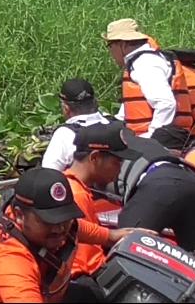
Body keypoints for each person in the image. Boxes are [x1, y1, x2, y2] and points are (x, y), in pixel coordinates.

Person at [0, 167, 137, 303]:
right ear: (19, 215)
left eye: (64, 217)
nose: (59, 228)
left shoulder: (54, 226)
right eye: (49, 221)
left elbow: (75, 227)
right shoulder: (12, 261)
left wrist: (112, 236)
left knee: (88, 295)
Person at [63, 122, 141, 300]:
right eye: (116, 162)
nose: (120, 169)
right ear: (95, 157)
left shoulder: (76, 187)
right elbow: (83, 265)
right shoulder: (76, 196)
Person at [112, 126, 195, 253]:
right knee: (194, 257)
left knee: (127, 247)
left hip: (161, 186)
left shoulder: (111, 146)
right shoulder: (150, 143)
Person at [102, 18, 193, 149]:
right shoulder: (142, 61)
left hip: (161, 141)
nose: (110, 52)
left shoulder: (145, 63)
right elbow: (129, 110)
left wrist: (152, 139)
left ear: (122, 44)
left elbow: (166, 103)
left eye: (110, 46)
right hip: (152, 136)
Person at [40, 79, 112, 171]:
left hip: (84, 185)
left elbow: (49, 174)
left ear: (66, 108)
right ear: (95, 102)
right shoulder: (112, 122)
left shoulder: (64, 134)